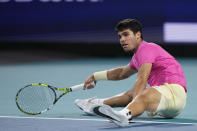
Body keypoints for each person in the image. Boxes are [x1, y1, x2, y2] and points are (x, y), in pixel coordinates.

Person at [75, 19, 187, 127]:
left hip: (174, 94)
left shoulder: (147, 48)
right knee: (133, 93)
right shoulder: (137, 56)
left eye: (126, 34)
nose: (122, 39)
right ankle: (96, 104)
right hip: (164, 104)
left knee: (143, 91)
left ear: (138, 35)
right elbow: (121, 73)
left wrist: (132, 109)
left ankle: (124, 115)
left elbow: (142, 79)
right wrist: (95, 76)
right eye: (120, 36)